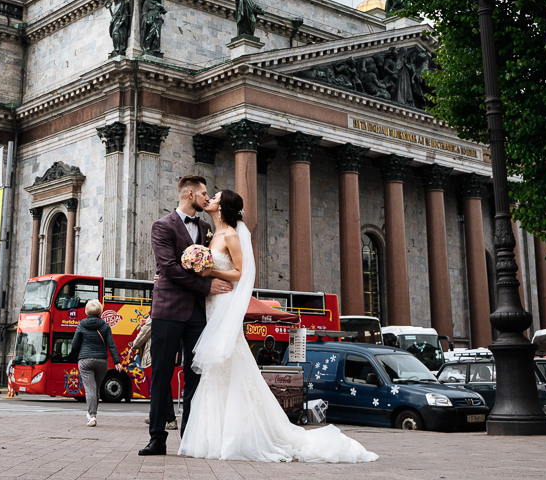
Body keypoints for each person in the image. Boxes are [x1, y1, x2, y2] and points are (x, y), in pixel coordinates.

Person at [178, 190, 377, 463]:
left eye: (215, 196)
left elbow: (240, 272)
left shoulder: (231, 236)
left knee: (228, 362)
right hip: (211, 305)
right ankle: (215, 434)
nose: (210, 198)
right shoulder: (213, 234)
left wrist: (210, 271)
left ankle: (233, 436)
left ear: (222, 207)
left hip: (224, 304)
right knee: (217, 368)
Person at [139, 175, 233, 456]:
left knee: (195, 375)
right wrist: (206, 284)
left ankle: (190, 438)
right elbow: (167, 267)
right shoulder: (162, 226)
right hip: (168, 310)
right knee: (161, 374)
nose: (207, 198)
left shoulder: (206, 228)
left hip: (197, 312)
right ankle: (157, 438)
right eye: (204, 193)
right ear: (189, 194)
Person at [68, 299, 122, 427]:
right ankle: (92, 413)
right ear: (100, 311)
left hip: (85, 360)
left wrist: (74, 356)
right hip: (101, 360)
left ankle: (92, 415)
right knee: (96, 388)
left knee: (90, 388)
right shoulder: (105, 325)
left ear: (86, 311)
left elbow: (74, 344)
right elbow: (111, 345)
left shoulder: (81, 324)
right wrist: (117, 362)